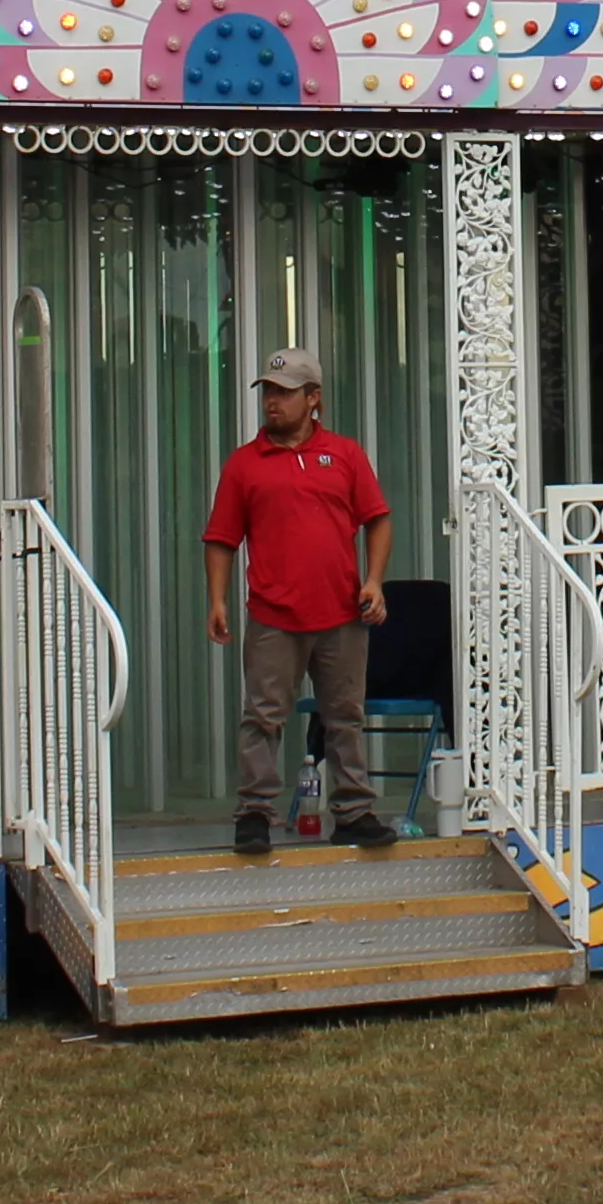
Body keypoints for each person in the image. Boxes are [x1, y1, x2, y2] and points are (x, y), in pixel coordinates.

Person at [202, 345, 393, 854]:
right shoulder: (245, 464)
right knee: (262, 717)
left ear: (314, 399)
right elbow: (221, 537)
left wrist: (373, 581)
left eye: (284, 393)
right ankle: (255, 815)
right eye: (267, 390)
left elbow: (378, 519)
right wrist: (217, 600)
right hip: (273, 617)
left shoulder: (346, 455)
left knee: (344, 716)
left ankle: (353, 812)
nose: (272, 402)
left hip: (340, 615)